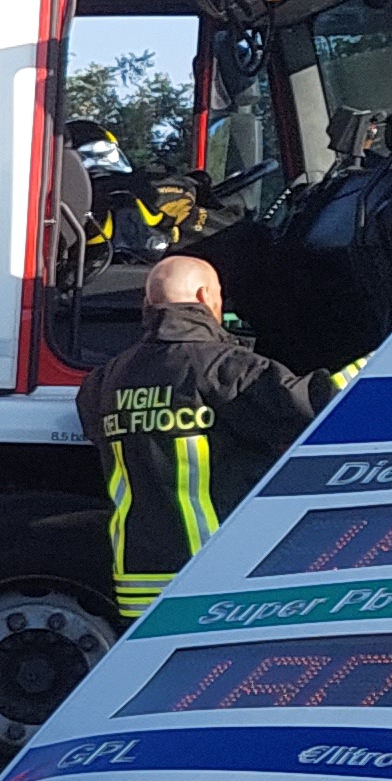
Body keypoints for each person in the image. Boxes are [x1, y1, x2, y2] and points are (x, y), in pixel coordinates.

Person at [77, 251, 331, 618]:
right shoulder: (225, 367)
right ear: (202, 297)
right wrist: (381, 368)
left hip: (138, 581)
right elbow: (310, 408)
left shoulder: (104, 380)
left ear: (148, 303)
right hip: (215, 574)